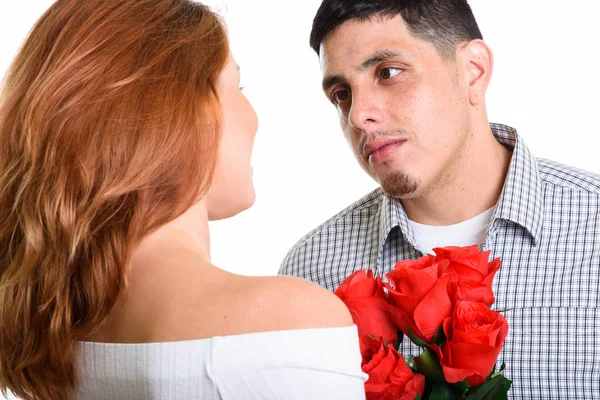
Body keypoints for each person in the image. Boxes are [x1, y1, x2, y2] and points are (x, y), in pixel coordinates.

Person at [0, 1, 368, 399]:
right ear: (179, 110)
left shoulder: (50, 335)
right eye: (237, 86)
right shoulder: (294, 320)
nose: (254, 115)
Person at [279, 0, 600, 398]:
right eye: (342, 94)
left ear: (473, 72)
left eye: (388, 72)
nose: (359, 115)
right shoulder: (309, 272)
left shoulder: (595, 226)